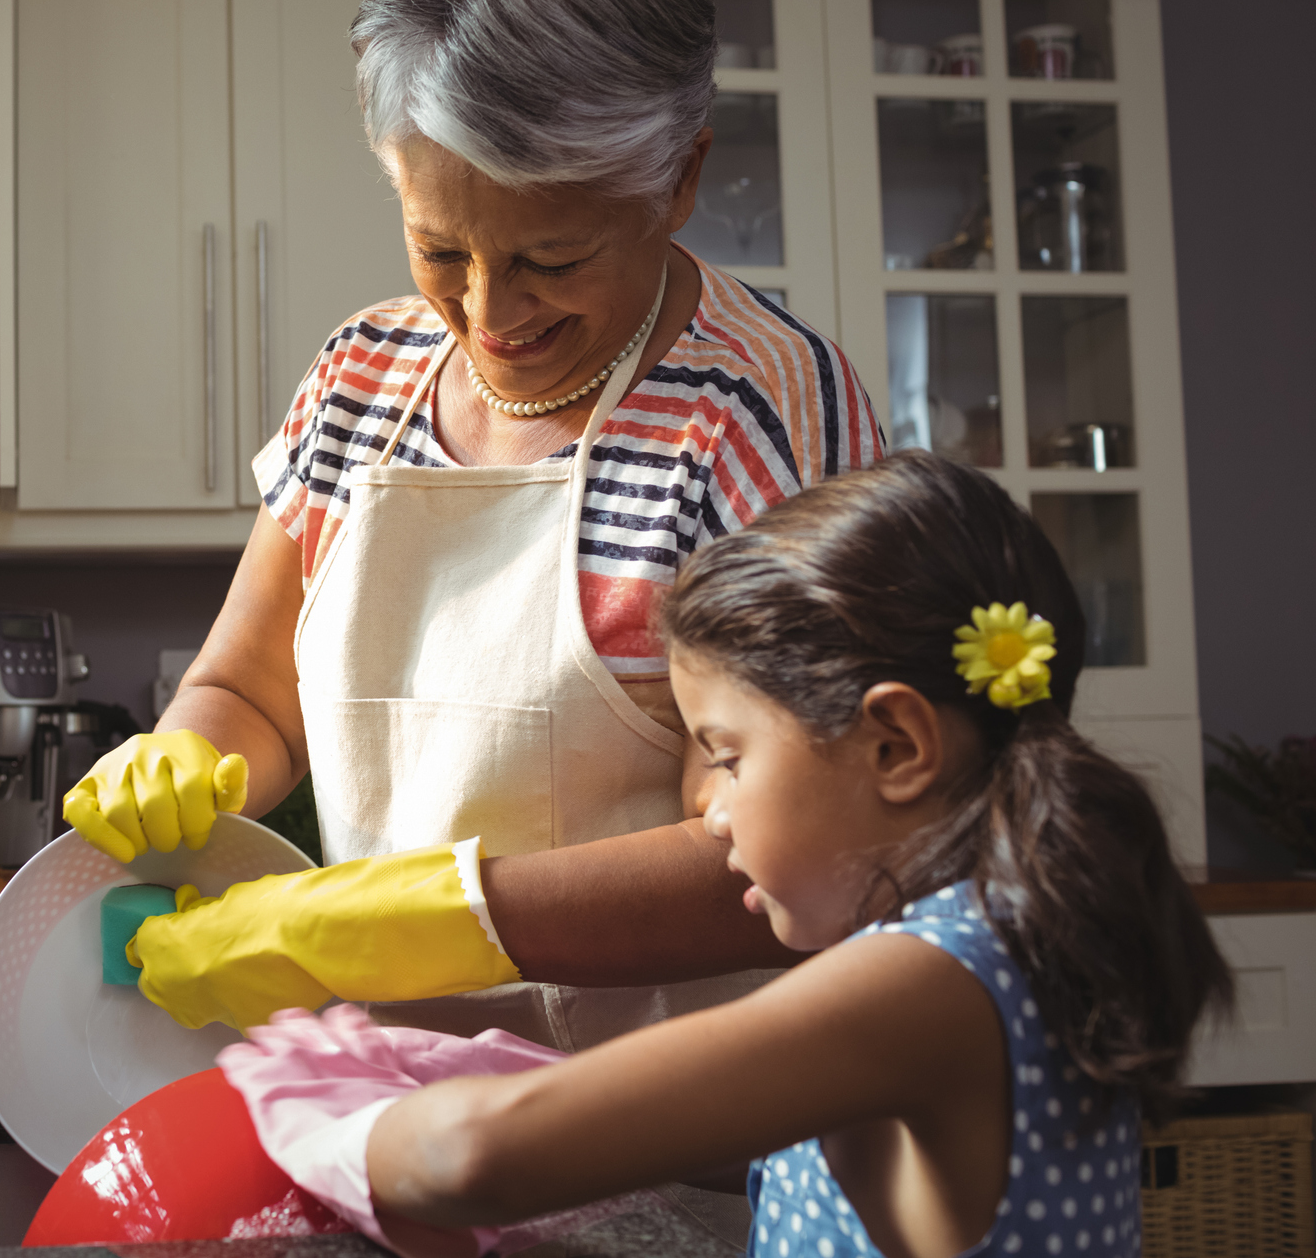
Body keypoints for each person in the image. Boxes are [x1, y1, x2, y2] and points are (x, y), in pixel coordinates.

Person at [63, 0, 883, 1049]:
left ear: (679, 178)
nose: (493, 316)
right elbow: (250, 694)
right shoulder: (361, 378)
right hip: (387, 1101)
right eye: (441, 249)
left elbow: (776, 853)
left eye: (554, 258)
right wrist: (185, 754)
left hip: (663, 1124)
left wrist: (398, 921)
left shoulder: (758, 412)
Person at [212, 451, 1229, 1258]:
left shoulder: (931, 979)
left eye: (727, 754)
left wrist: (315, 1104)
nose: (705, 806)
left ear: (896, 746)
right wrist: (484, 1073)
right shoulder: (987, 947)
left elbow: (482, 1156)